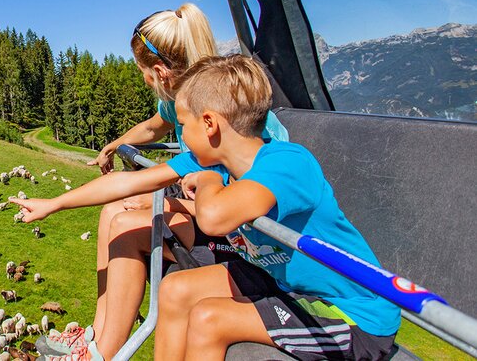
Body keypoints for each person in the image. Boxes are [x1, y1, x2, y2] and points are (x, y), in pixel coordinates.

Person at [29, 4, 287, 359]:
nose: (181, 132)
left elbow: (230, 205)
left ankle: (104, 348)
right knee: (113, 211)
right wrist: (62, 196)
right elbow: (151, 136)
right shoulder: (194, 113)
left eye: (142, 73)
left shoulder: (232, 131)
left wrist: (169, 202)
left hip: (240, 233)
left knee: (125, 225)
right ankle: (98, 334)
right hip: (211, 207)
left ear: (161, 72)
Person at [155, 55, 400, 360]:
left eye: (182, 126)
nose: (183, 137)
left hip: (352, 315)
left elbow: (214, 218)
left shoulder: (288, 162)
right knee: (176, 289)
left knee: (209, 319)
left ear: (209, 123)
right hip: (288, 281)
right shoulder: (234, 168)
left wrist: (206, 181)